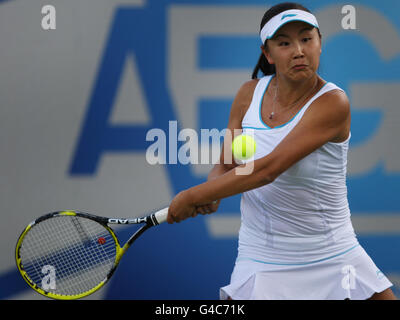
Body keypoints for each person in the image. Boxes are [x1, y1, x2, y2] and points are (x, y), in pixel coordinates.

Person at [166, 2, 396, 300]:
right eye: (284, 43)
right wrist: (214, 190)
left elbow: (266, 170)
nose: (299, 50)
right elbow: (226, 163)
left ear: (320, 43)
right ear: (268, 53)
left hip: (331, 253)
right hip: (260, 256)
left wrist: (193, 196)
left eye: (306, 38)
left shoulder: (333, 103)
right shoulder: (248, 94)